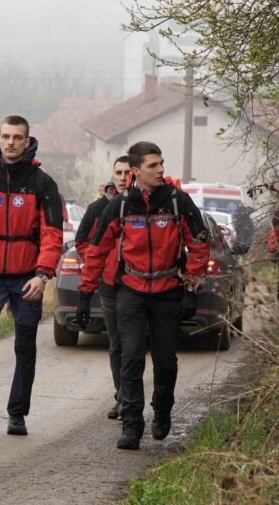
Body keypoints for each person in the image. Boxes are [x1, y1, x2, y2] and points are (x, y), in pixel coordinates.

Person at [77, 141, 209, 450]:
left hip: (167, 293)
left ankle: (162, 411)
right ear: (137, 171)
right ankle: (132, 425)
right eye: (153, 165)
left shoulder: (178, 201)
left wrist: (191, 287)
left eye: (162, 163)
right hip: (131, 292)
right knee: (131, 356)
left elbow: (200, 244)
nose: (161, 169)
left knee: (165, 361)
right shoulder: (121, 205)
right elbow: (96, 251)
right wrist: (85, 294)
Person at [0, 116, 64, 437]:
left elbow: (52, 234)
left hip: (27, 276)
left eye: (17, 137)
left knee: (25, 344)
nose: (10, 142)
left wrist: (43, 275)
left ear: (27, 140)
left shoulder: (42, 183)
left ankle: (17, 414)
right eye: (5, 136)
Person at [73, 155, 129, 421]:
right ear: (112, 175)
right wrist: (103, 260)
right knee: (116, 344)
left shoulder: (144, 206)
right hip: (109, 285)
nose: (122, 177)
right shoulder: (98, 208)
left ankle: (133, 398)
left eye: (127, 172)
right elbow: (82, 241)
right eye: (118, 172)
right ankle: (122, 397)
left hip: (138, 285)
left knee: (135, 345)